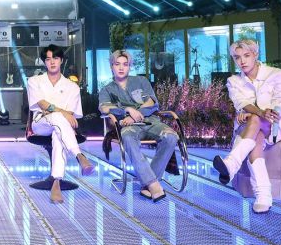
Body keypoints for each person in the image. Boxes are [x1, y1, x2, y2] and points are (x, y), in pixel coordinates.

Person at [212, 39, 281, 213]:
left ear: (255, 54)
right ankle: (263, 196)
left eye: (246, 55)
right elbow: (241, 102)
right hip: (251, 126)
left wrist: (267, 112)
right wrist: (256, 113)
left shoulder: (277, 74)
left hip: (275, 125)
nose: (242, 61)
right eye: (237, 57)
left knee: (255, 119)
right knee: (256, 131)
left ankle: (232, 164)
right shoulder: (233, 81)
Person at [98, 50, 178, 202]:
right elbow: (104, 108)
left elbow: (152, 102)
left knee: (171, 136)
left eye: (125, 64)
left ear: (129, 67)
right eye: (117, 64)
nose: (121, 67)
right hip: (128, 126)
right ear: (111, 67)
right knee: (127, 137)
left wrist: (137, 113)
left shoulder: (141, 81)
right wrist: (127, 110)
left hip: (151, 121)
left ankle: (148, 184)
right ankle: (153, 184)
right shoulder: (107, 89)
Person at [28, 44, 94, 203]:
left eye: (55, 58)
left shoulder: (72, 86)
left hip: (61, 126)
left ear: (62, 60)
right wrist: (61, 112)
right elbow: (42, 104)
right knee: (58, 118)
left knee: (58, 135)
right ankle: (79, 155)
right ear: (44, 62)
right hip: (40, 123)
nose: (52, 62)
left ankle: (56, 183)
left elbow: (70, 113)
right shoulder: (34, 81)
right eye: (48, 59)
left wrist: (56, 111)